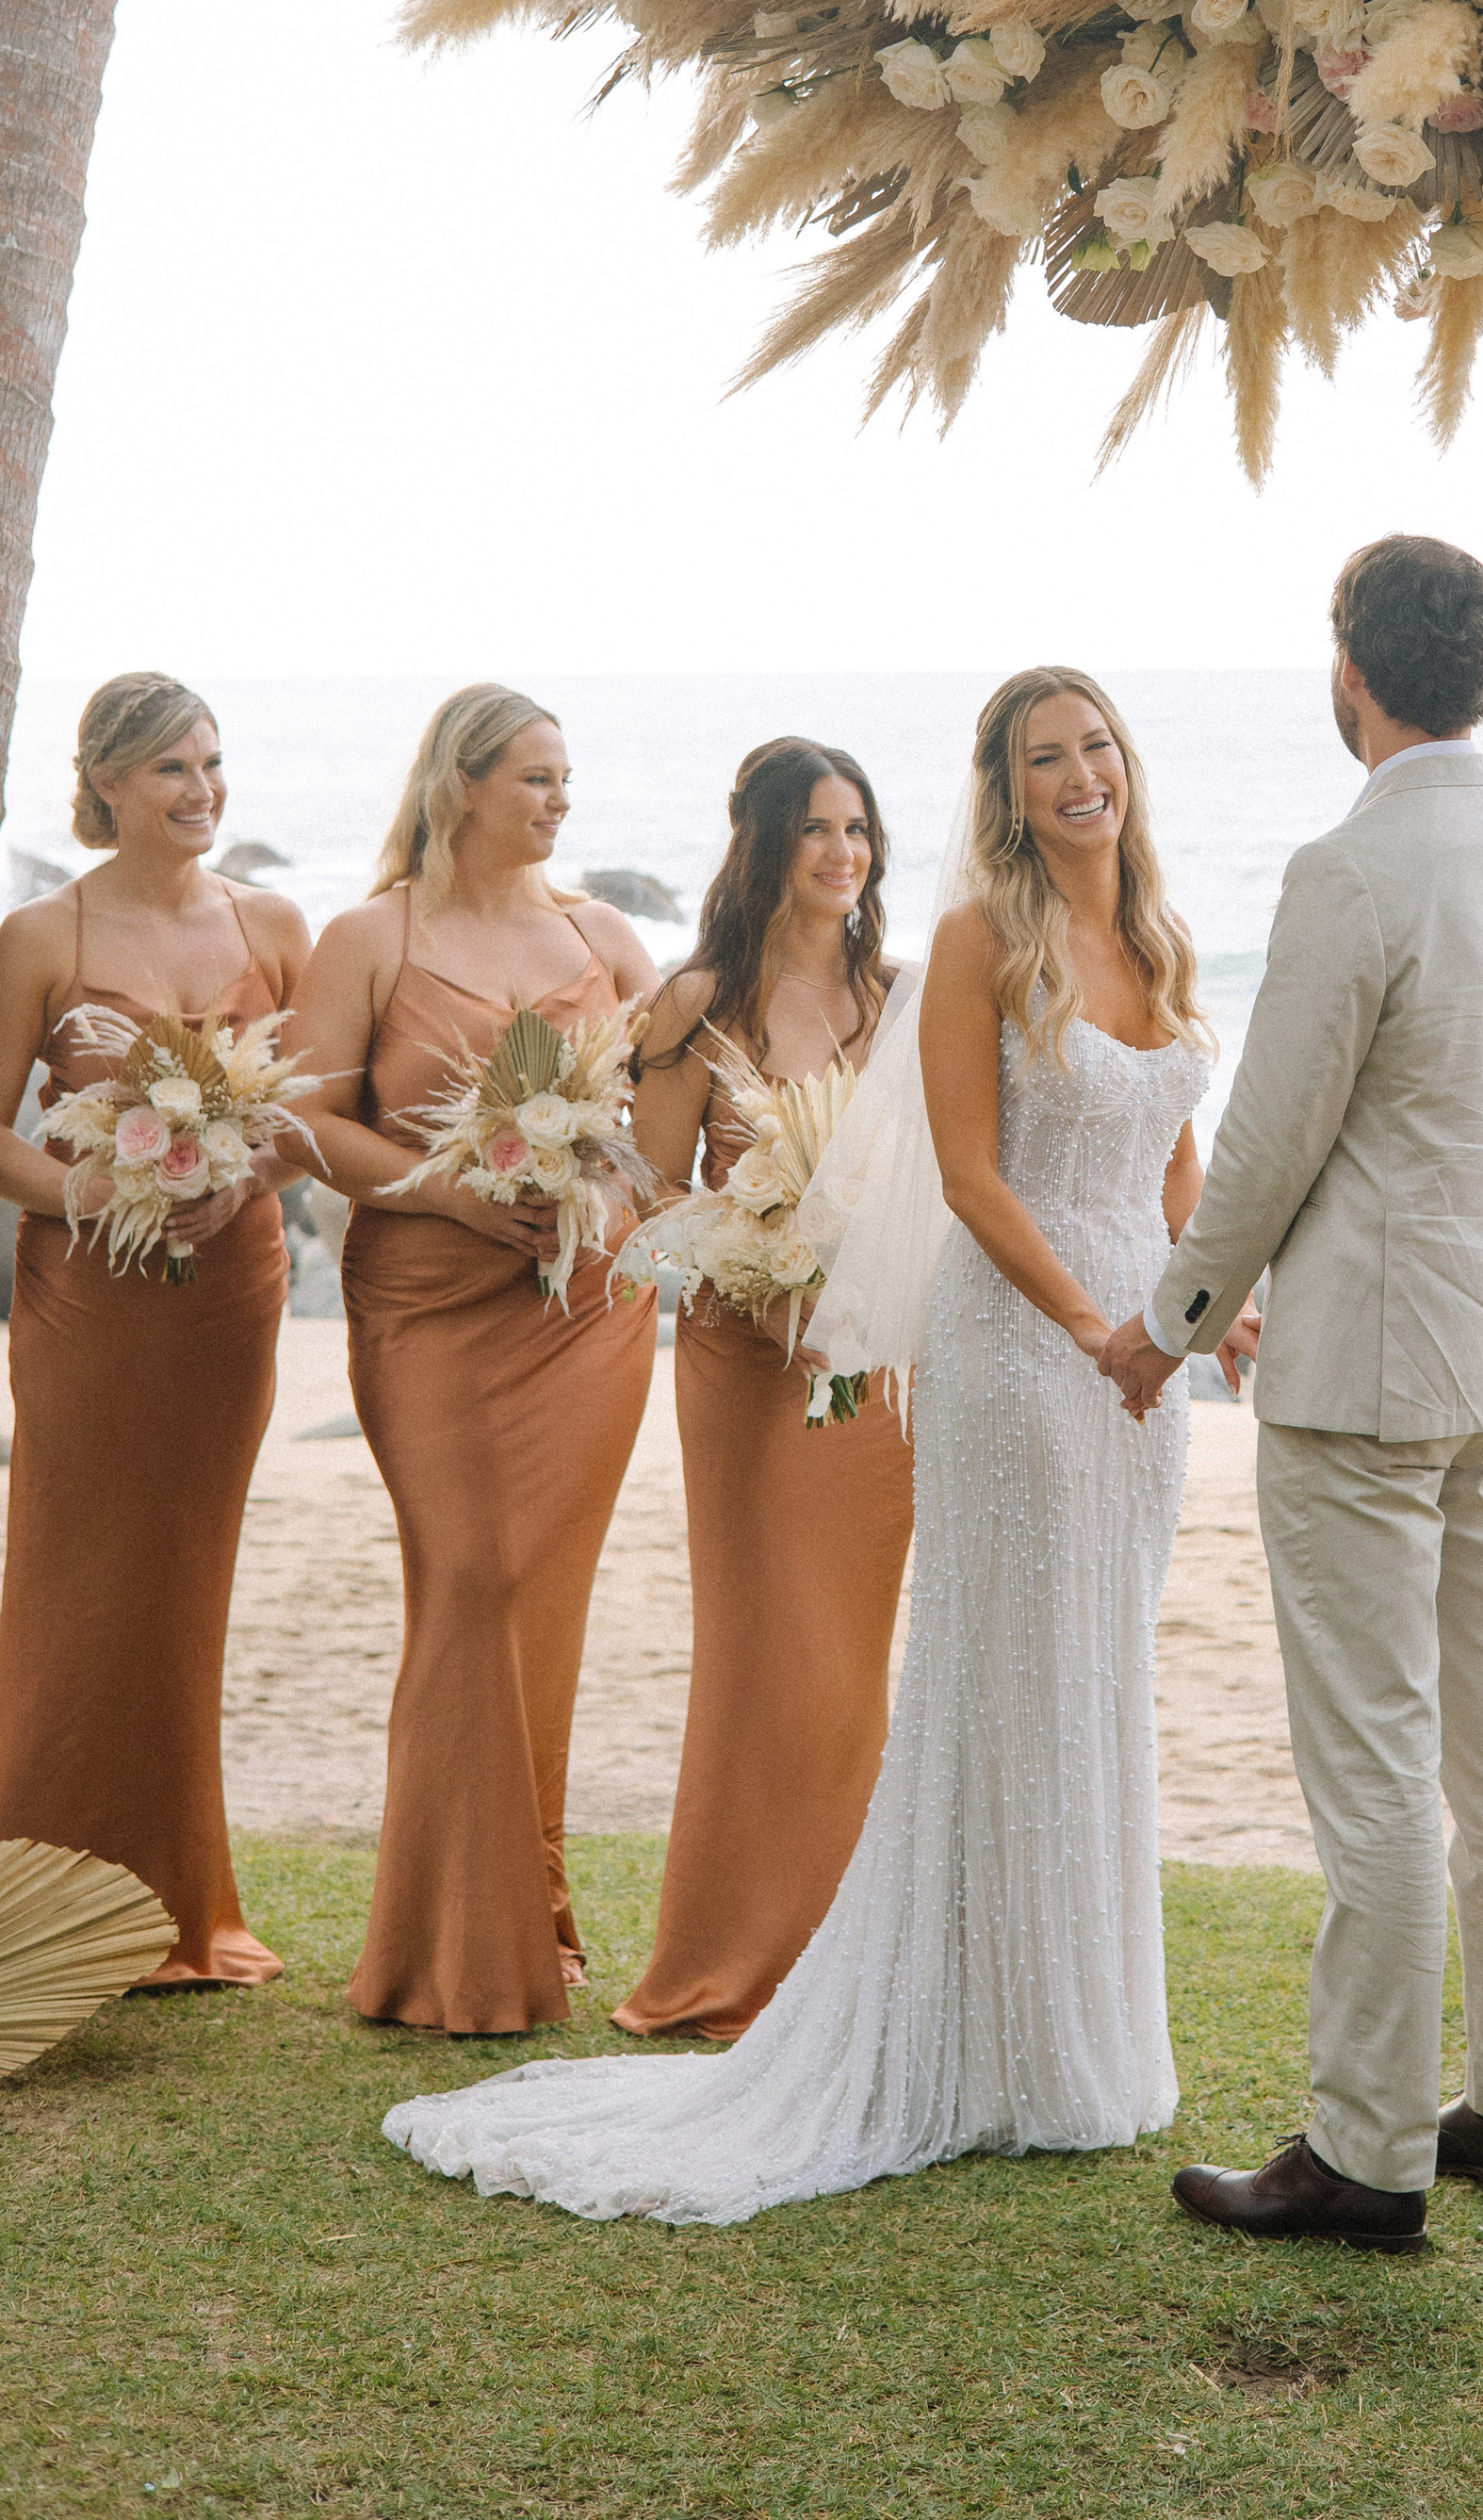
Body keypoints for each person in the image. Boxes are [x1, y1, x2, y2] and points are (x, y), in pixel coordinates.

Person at [374, 666, 1252, 2218]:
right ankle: (962, 2033)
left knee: (1100, 1670)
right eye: (1043, 757)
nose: (1079, 775)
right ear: (1005, 789)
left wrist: (1205, 1308)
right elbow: (976, 1181)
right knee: (989, 1671)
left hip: (1144, 1358)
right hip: (1025, 1342)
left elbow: (1170, 1165)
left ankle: (1079, 2043)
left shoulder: (1161, 938)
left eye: (1097, 745)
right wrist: (1088, 1327)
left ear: (1129, 762)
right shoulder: (985, 942)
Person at [1100, 535, 1483, 2254]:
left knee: (1375, 1754)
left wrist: (1170, 1319)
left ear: (1351, 669)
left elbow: (1271, 1143)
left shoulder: (1352, 869)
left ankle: (1368, 2148)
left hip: (1371, 1367)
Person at [290, 686, 659, 2035]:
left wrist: (613, 1204)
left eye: (568, 778)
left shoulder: (600, 935)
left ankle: (524, 1925)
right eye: (535, 778)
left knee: (537, 1606)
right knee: (468, 1581)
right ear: (459, 784)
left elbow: (675, 1115)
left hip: (584, 1319)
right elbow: (304, 1128)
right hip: (427, 1305)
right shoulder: (369, 936)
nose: (561, 801)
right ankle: (443, 1944)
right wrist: (446, 1192)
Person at [0, 672, 310, 1986]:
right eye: (173, 768)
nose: (203, 791)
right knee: (77, 1573)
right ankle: (29, 1893)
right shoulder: (39, 936)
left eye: (214, 764)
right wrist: (92, 1190)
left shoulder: (275, 922)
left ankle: (181, 1906)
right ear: (106, 780)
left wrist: (245, 1177)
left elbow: (307, 1112)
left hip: (229, 1293)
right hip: (89, 1300)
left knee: (187, 1580)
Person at [613, 738, 915, 2041]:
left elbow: (942, 1179)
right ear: (766, 845)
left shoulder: (902, 1000)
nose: (843, 853)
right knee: (760, 1652)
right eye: (817, 830)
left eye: (858, 829)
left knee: (847, 1666)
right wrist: (748, 1236)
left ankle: (843, 1962)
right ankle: (731, 1961)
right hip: (744, 1363)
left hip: (867, 1373)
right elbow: (643, 1181)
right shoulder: (699, 1001)